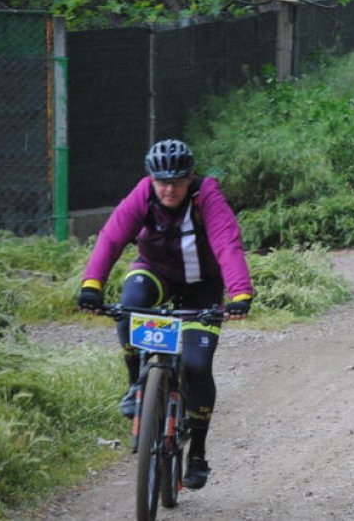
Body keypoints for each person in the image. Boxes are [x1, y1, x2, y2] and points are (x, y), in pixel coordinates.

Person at [76, 139, 253, 491]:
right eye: (162, 181)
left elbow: (226, 242)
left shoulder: (207, 197)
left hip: (202, 284)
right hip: (156, 272)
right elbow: (111, 238)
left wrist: (239, 293)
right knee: (130, 303)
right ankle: (134, 385)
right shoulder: (144, 194)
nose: (169, 189)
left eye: (176, 181)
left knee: (197, 364)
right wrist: (92, 284)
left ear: (190, 178)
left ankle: (198, 453)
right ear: (152, 179)